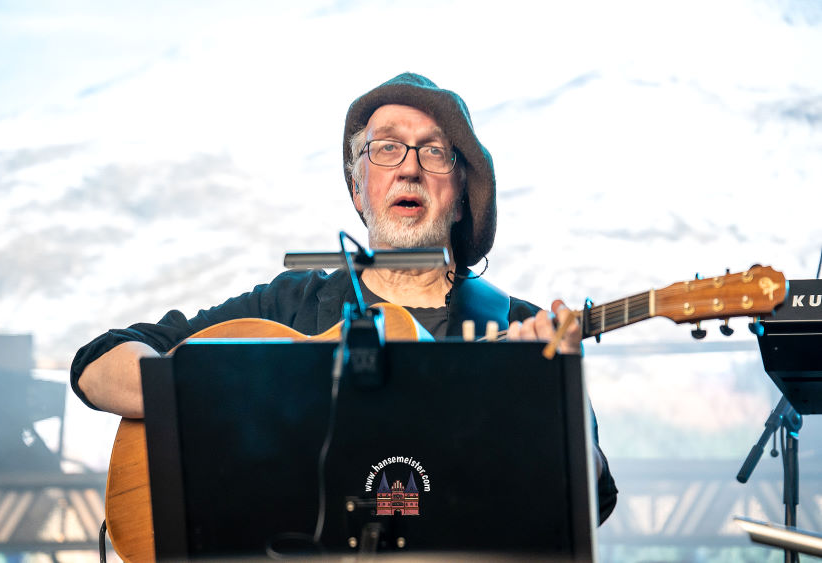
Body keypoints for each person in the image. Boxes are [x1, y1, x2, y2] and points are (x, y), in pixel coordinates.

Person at [70, 72, 617, 523]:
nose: (409, 167)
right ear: (358, 189)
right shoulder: (291, 306)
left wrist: (550, 404)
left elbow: (589, 502)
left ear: (460, 197)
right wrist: (233, 397)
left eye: (434, 152)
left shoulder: (518, 328)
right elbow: (98, 363)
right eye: (387, 149)